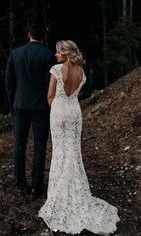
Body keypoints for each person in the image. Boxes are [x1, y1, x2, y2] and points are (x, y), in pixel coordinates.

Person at [38, 40, 120, 234]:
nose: (56, 55)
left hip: (59, 112)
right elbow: (75, 95)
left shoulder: (57, 69)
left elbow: (50, 96)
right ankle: (76, 192)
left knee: (60, 153)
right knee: (74, 152)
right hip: (75, 112)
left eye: (58, 52)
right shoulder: (82, 72)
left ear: (65, 54)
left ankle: (60, 196)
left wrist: (57, 109)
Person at [5, 21, 56, 199]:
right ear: (44, 36)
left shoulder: (15, 54)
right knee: (40, 146)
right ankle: (36, 187)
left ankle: (20, 185)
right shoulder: (49, 55)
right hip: (40, 106)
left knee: (19, 145)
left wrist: (13, 105)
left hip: (20, 105)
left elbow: (9, 83)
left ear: (29, 34)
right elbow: (49, 85)